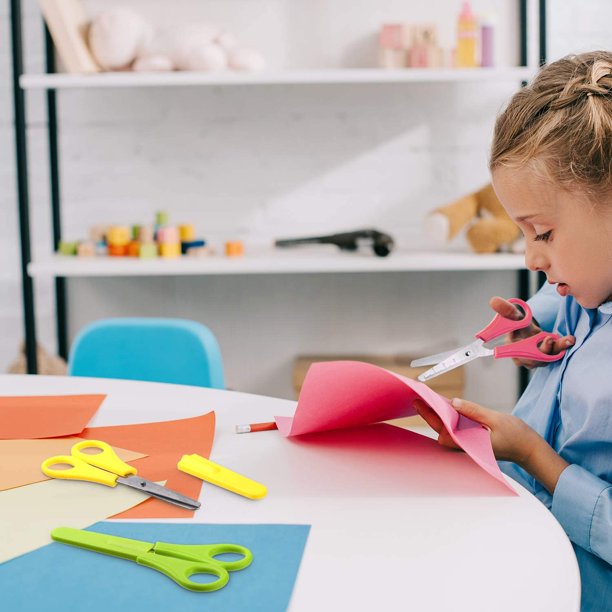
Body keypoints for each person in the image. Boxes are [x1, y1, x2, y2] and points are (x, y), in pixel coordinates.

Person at [415, 51, 612, 611]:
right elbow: (555, 308)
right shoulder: (588, 286)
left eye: (544, 233)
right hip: (513, 553)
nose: (531, 256)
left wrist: (533, 456)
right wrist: (533, 326)